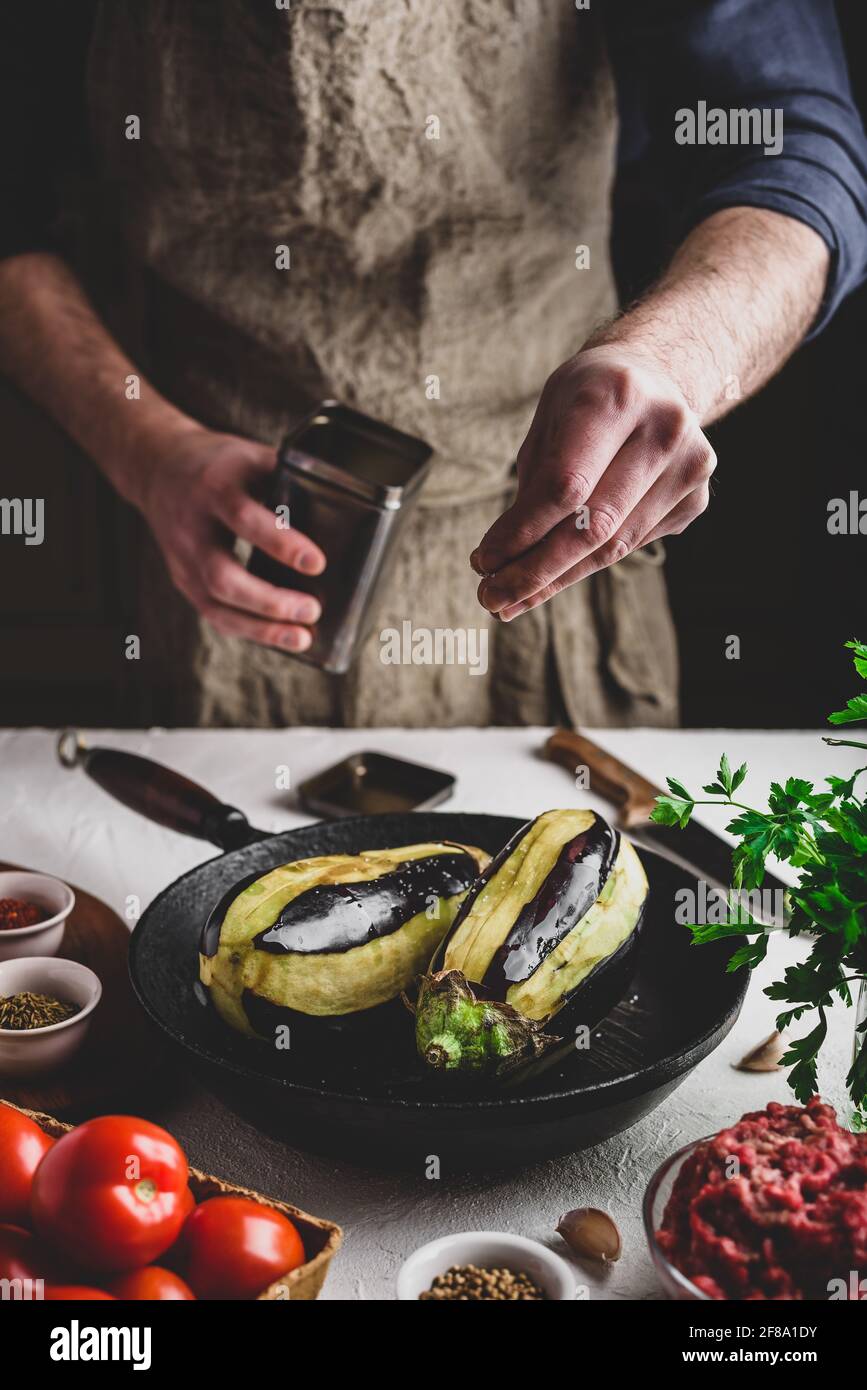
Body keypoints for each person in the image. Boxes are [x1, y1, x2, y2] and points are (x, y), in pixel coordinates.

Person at [1, 1, 865, 729]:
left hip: (556, 572)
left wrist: (670, 359)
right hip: (220, 562)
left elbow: (799, 144)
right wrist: (147, 450)